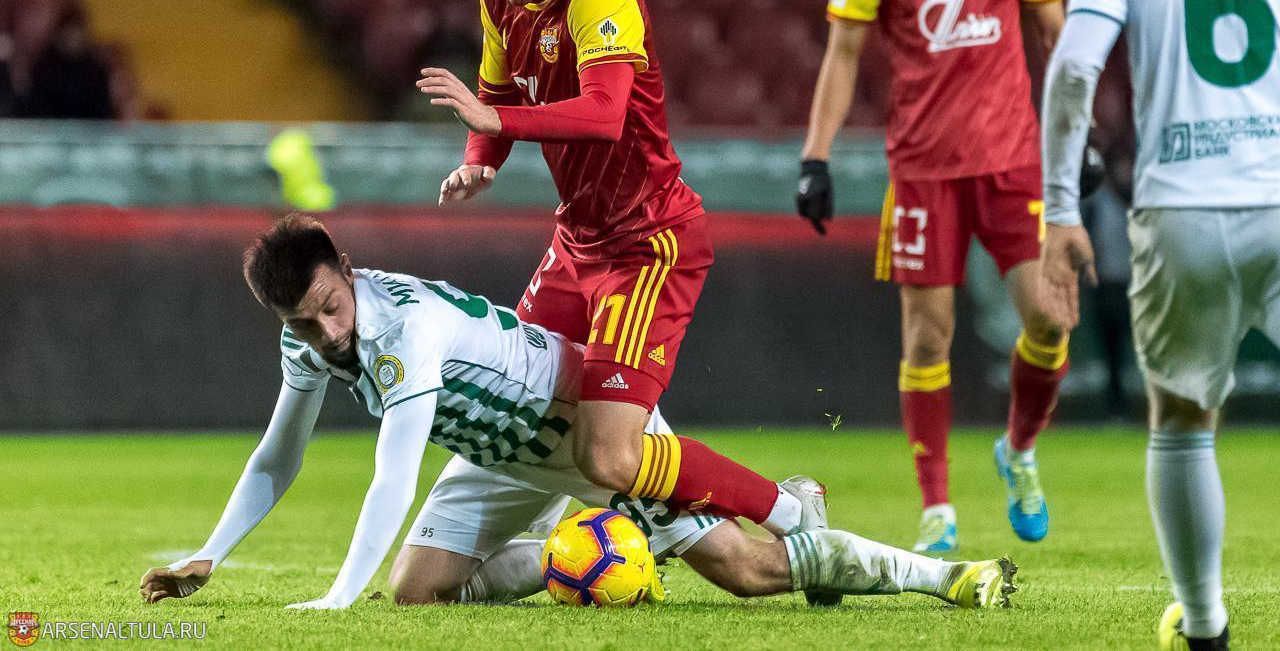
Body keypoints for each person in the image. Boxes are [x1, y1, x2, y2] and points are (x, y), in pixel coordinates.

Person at [138, 214, 1017, 612]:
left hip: (583, 426)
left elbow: (393, 471)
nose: (329, 333)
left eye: (332, 306)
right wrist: (211, 551)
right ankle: (594, 552)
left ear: (348, 270)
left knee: (747, 572)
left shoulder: (403, 326)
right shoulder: (307, 338)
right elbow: (276, 456)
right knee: (418, 591)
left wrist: (336, 598)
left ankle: (936, 575)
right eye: (304, 322)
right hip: (499, 452)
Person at [414, 0, 820, 545]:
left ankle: (787, 509)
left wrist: (495, 124)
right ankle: (564, 536)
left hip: (646, 243)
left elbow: (604, 114)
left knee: (606, 453)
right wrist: (480, 160)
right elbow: (498, 92)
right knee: (520, 397)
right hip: (577, 242)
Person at [795, 0, 1069, 553]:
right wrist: (815, 156)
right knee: (926, 339)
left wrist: (1079, 136)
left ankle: (1018, 448)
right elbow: (842, 54)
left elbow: (1058, 38)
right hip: (922, 173)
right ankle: (937, 507)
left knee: (1049, 320)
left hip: (1013, 164)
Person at [1040, 0, 1280, 647]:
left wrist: (1060, 206)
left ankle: (1205, 624)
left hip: (1181, 202)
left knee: (1180, 422)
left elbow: (1074, 69)